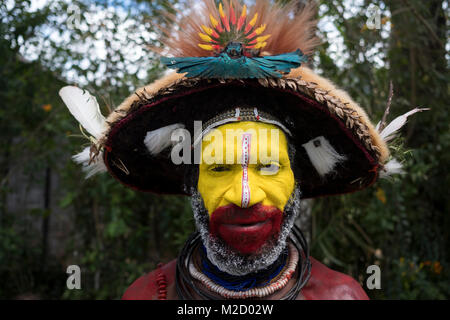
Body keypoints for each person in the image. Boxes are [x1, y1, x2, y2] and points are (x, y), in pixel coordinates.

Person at [59, 0, 424, 300]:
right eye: (219, 169)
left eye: (268, 166)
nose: (246, 196)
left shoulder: (340, 296)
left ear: (297, 183)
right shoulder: (148, 295)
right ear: (192, 183)